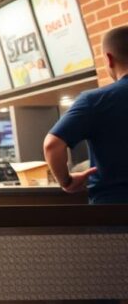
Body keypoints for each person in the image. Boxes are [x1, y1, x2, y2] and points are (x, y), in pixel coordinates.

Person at [45, 26, 128, 205]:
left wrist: (66, 181)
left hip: (114, 210)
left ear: (109, 59)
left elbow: (52, 146)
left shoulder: (94, 100)